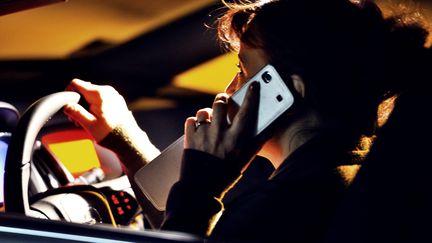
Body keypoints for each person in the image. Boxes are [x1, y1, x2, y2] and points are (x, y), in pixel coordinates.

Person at [64, 0, 430, 241]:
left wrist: (203, 187)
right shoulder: (344, 175)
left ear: (288, 91)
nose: (227, 92)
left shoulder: (291, 201)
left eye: (243, 72)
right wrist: (125, 139)